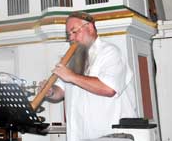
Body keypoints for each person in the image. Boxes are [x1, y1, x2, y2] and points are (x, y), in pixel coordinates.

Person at [42, 11, 137, 141]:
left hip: (111, 135)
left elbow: (109, 88)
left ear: (90, 28)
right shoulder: (72, 58)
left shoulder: (110, 52)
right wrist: (50, 91)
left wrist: (72, 76)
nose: (71, 38)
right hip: (79, 135)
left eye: (74, 32)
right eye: (68, 34)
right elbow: (61, 91)